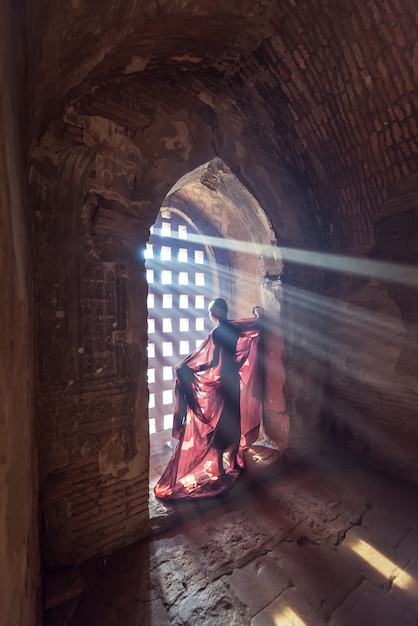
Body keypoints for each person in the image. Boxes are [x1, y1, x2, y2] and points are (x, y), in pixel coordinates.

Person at [154, 298, 265, 500]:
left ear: (217, 312)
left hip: (222, 384)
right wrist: (259, 313)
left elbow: (211, 360)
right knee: (231, 421)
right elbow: (256, 325)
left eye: (211, 312)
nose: (211, 315)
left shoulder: (216, 333)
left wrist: (189, 368)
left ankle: (220, 471)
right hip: (233, 381)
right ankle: (229, 461)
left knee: (219, 425)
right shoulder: (233, 327)